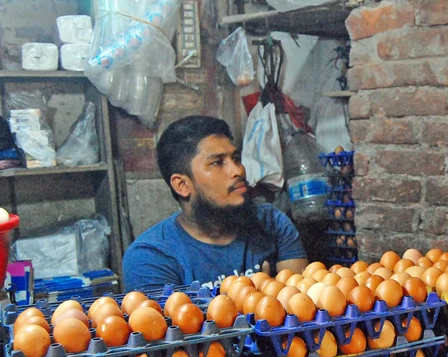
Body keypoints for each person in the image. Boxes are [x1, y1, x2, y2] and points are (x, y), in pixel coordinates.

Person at [122, 116, 308, 291]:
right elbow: (169, 324)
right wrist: (258, 297)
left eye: (235, 159)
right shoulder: (150, 257)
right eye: (217, 162)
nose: (237, 170)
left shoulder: (272, 223)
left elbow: (300, 308)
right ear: (182, 185)